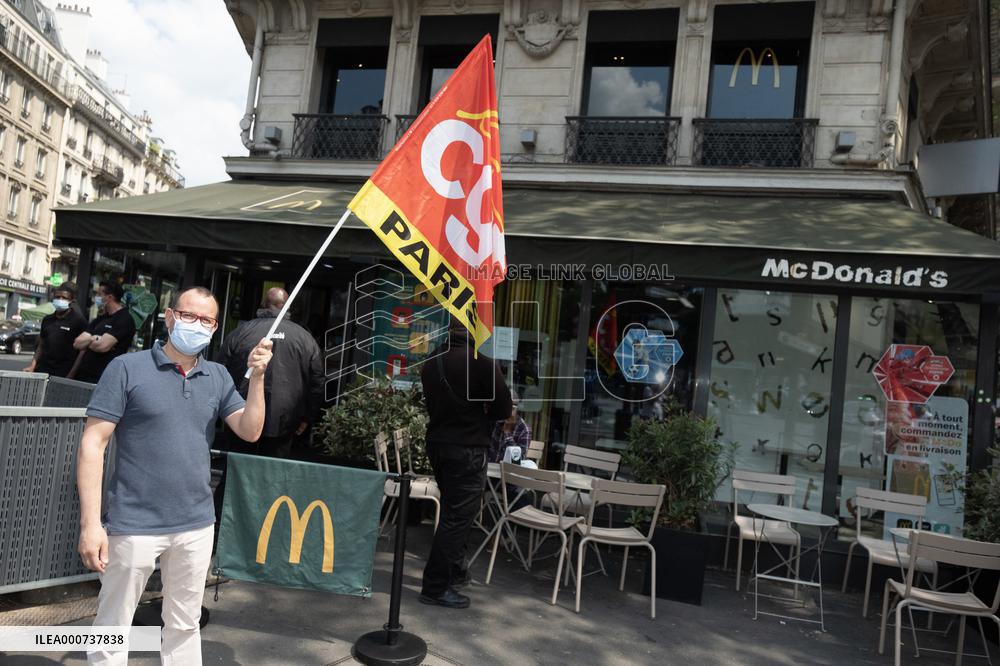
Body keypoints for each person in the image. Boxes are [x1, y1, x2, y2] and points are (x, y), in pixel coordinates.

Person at [77, 286, 272, 666]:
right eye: (189, 316)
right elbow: (92, 446)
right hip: (133, 523)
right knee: (112, 626)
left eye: (207, 320)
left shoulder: (217, 376)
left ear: (215, 328)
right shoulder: (126, 368)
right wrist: (90, 524)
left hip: (196, 524)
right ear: (169, 317)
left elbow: (250, 430)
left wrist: (260, 378)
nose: (196, 325)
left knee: (185, 625)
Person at [419, 318, 512, 609]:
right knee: (457, 517)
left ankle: (456, 570)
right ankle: (435, 586)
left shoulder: (432, 363)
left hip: (438, 443)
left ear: (448, 330)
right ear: (476, 333)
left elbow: (432, 403)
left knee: (452, 510)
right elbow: (503, 409)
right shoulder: (483, 364)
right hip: (467, 448)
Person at [217, 287, 324, 457]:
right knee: (273, 475)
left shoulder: (240, 333)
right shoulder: (305, 338)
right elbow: (317, 382)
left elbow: (220, 371)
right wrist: (307, 417)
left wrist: (221, 410)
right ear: (288, 307)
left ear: (263, 305)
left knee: (238, 471)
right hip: (285, 421)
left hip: (241, 414)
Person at [70, 281, 137, 383]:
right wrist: (93, 338)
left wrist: (88, 342)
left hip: (103, 379)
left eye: (99, 294)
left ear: (109, 297)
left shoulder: (124, 319)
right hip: (83, 376)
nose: (96, 297)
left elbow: (102, 346)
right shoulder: (100, 319)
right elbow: (77, 343)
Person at [24, 283, 87, 377]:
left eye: (64, 298)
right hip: (42, 370)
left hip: (63, 373)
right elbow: (41, 345)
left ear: (71, 301)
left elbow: (82, 352)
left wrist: (71, 374)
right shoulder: (47, 319)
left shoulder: (79, 321)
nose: (60, 300)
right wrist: (32, 366)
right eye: (57, 297)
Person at [488, 390, 531, 464]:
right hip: (489, 469)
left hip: (508, 472)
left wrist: (507, 432)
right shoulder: (496, 421)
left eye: (512, 407)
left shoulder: (524, 429)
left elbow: (517, 459)